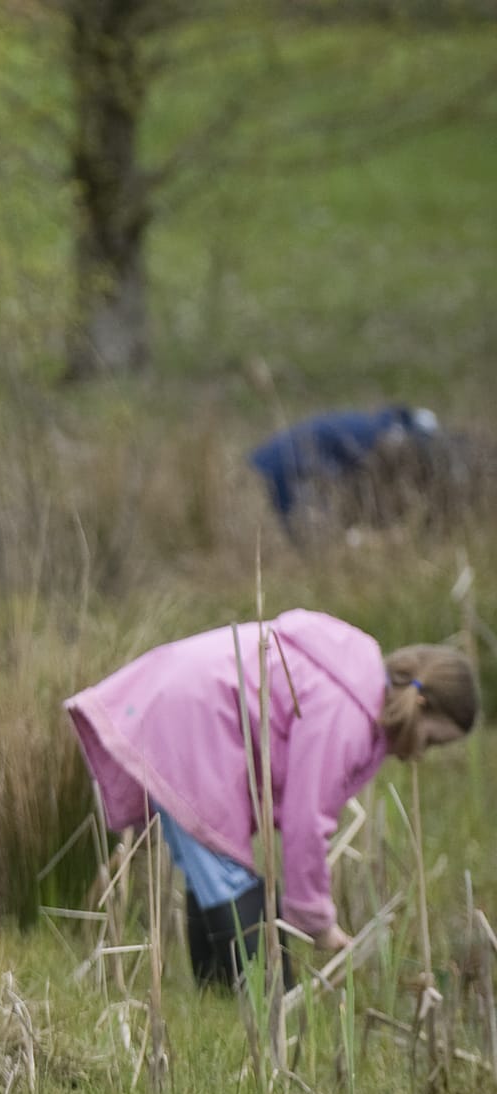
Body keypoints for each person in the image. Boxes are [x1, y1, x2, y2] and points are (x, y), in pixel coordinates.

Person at [68, 613, 476, 989]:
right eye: (433, 740)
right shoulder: (347, 714)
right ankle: (260, 1008)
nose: (423, 753)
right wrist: (316, 919)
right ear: (421, 705)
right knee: (227, 879)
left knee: (211, 875)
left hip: (181, 710)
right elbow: (307, 819)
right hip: (192, 727)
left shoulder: (353, 684)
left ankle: (219, 1004)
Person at [250, 405, 442, 527]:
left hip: (270, 462)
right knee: (301, 528)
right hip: (285, 467)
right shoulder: (369, 437)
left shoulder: (364, 425)